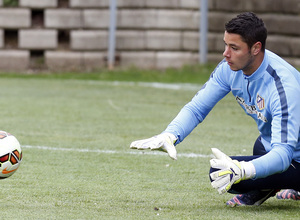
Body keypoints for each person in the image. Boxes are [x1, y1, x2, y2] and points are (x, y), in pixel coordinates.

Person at [130, 12, 300, 206]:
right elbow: (197, 108)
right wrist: (170, 134)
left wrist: (243, 170)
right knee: (259, 147)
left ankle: (279, 184)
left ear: (255, 48)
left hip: (292, 157)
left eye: (234, 48)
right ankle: (265, 187)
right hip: (277, 147)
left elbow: (283, 154)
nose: (225, 53)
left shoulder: (283, 86)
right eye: (225, 44)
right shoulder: (228, 68)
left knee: (222, 172)